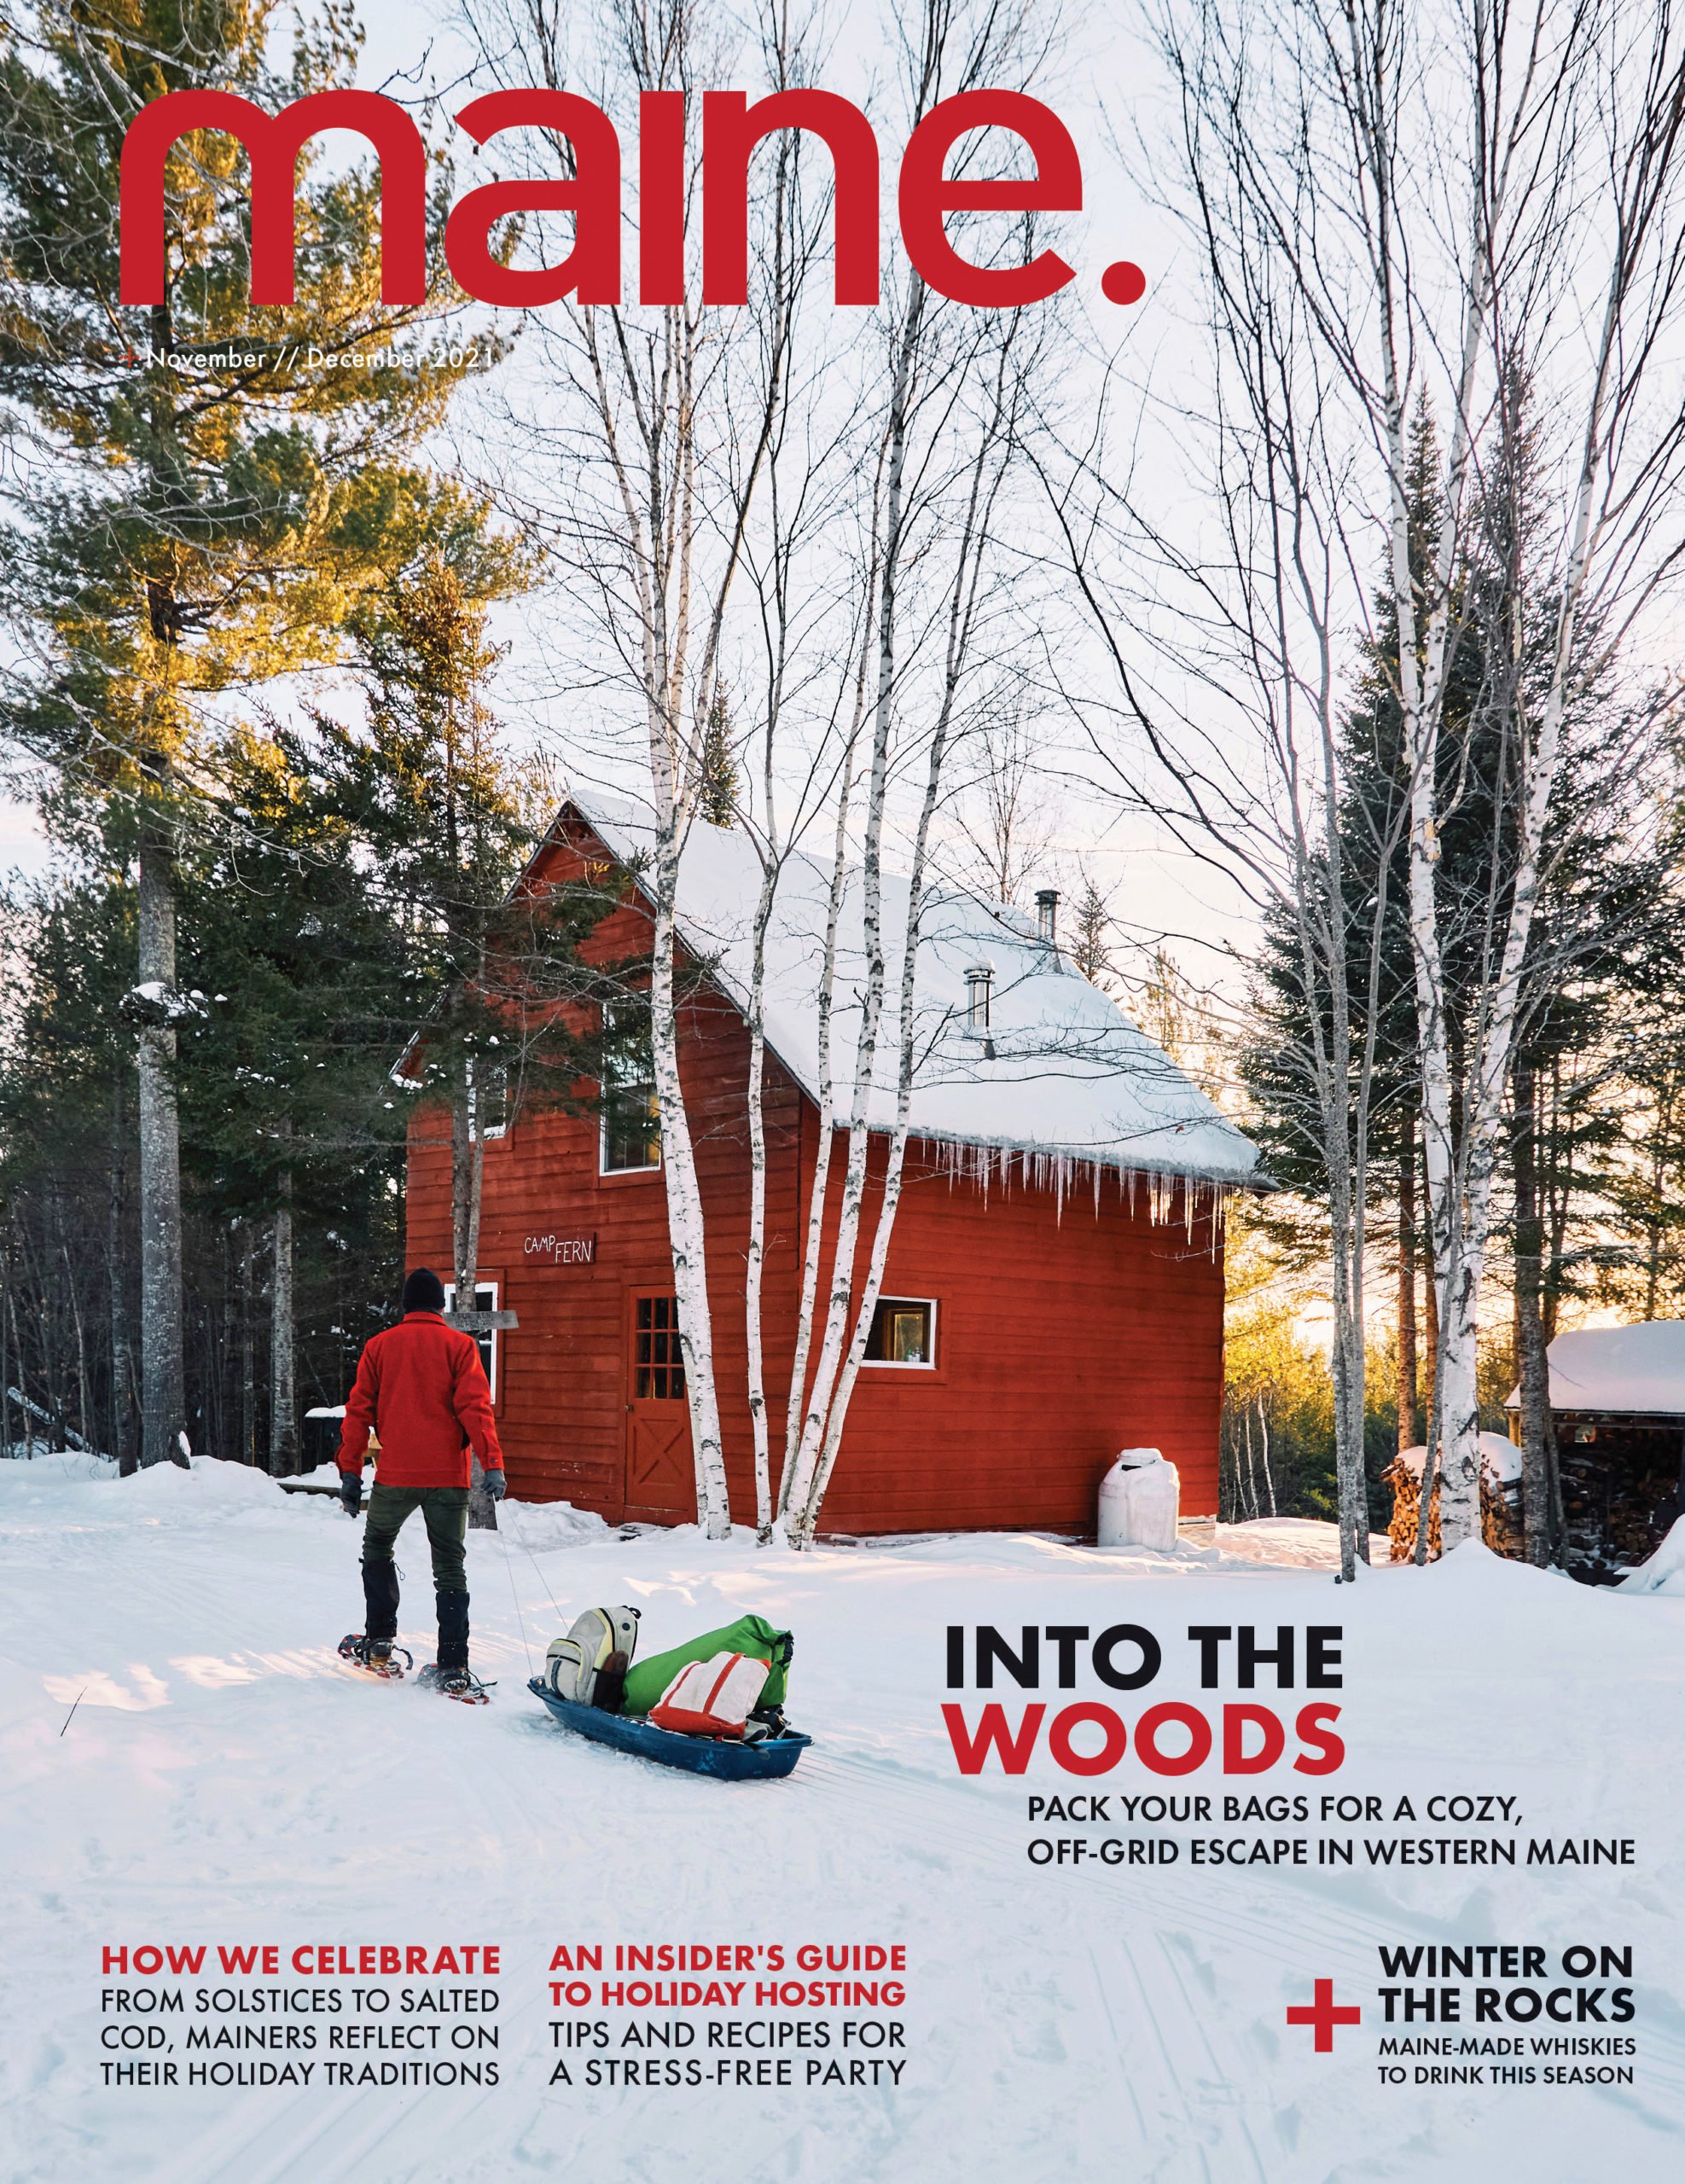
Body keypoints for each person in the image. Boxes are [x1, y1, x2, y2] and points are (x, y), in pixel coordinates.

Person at [336, 1267, 507, 1699]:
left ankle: (379, 1641)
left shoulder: (380, 1346)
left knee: (378, 1547)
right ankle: (453, 1664)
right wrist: (492, 1464)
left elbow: (358, 1412)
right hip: (448, 1477)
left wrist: (351, 1472)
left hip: (396, 1475)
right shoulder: (460, 1346)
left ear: (405, 1305)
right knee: (450, 1567)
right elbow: (476, 1407)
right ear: (439, 1305)